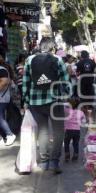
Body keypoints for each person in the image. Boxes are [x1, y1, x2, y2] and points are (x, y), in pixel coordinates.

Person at [23, 37, 69, 174]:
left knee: (42, 131)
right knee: (58, 131)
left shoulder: (29, 60)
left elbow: (26, 82)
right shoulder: (57, 60)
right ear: (52, 47)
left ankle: (44, 162)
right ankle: (54, 161)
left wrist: (26, 100)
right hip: (55, 102)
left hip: (35, 103)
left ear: (40, 46)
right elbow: (65, 80)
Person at [0, 55, 16, 146]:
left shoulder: (1, 69)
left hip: (2, 98)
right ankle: (2, 137)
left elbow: (4, 82)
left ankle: (10, 134)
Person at [64, 98, 86, 162]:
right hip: (77, 130)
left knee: (66, 143)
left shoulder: (66, 110)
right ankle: (75, 155)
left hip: (68, 130)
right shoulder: (81, 112)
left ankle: (67, 155)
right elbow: (84, 121)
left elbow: (63, 105)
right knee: (76, 143)